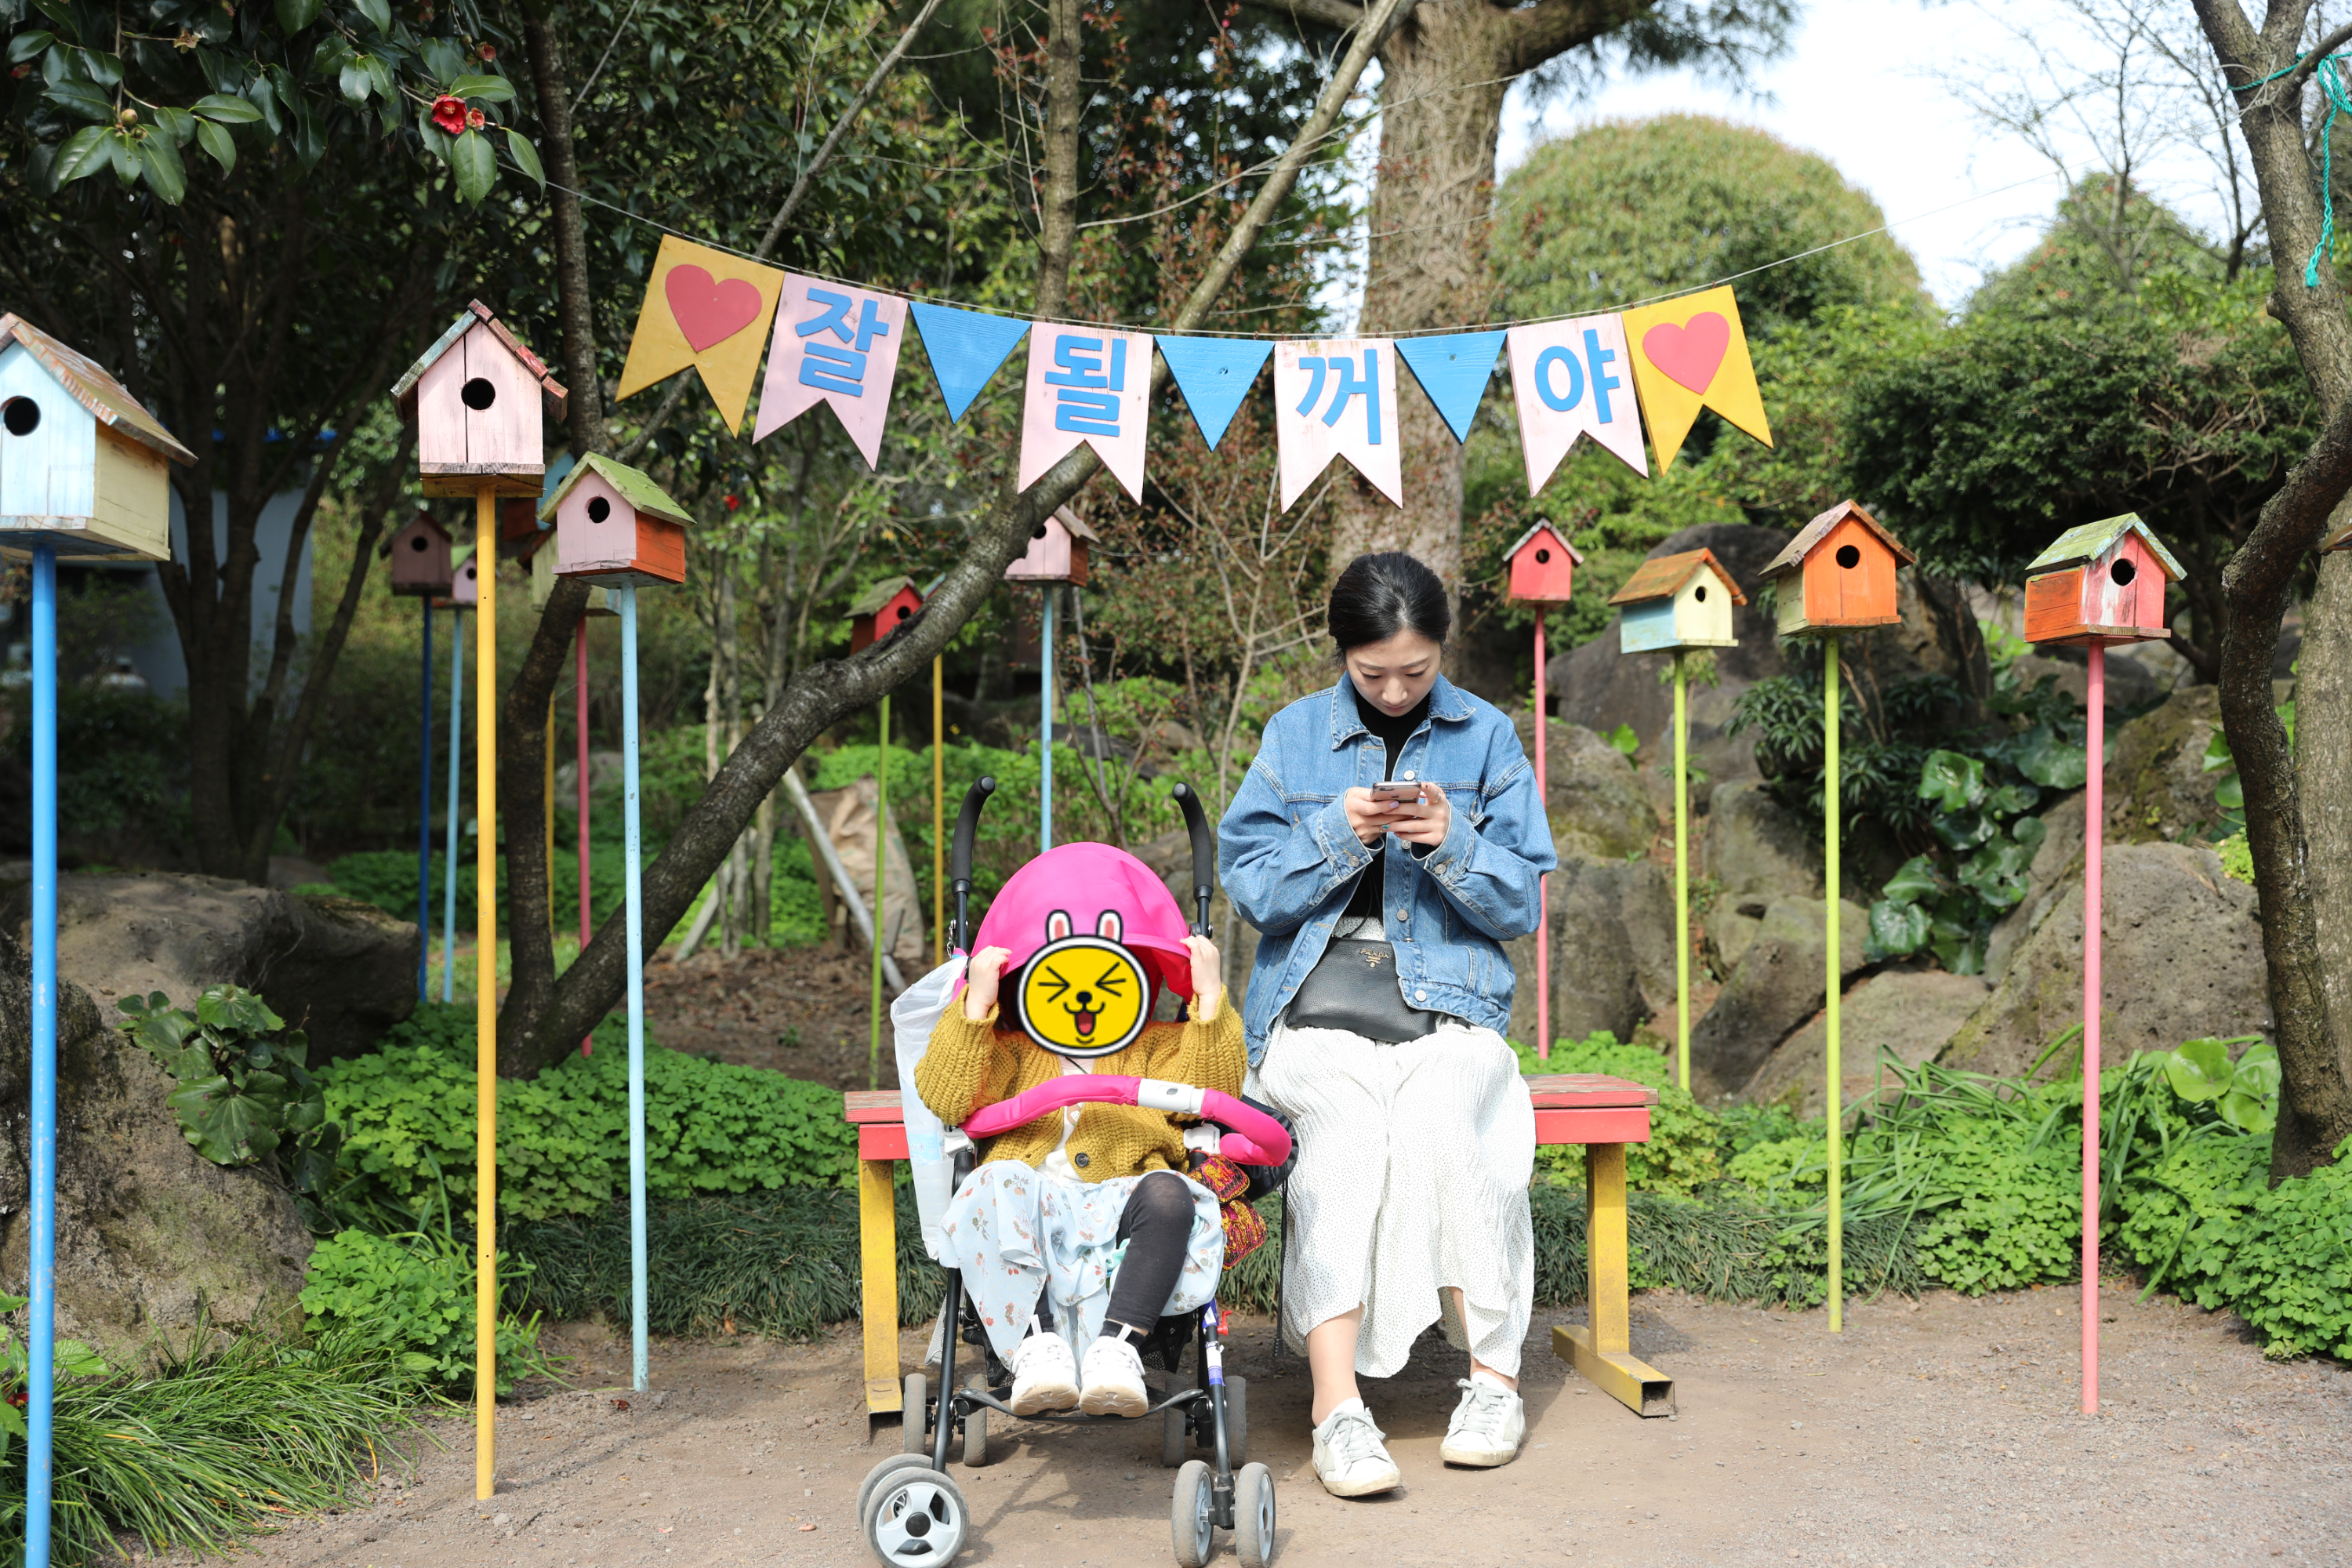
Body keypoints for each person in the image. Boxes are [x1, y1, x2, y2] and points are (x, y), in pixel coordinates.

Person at [1218, 550, 1555, 1497]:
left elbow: (1521, 900)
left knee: (1451, 1129)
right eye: (1375, 674)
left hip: (1451, 1013)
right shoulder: (1293, 737)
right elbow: (1249, 888)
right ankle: (1338, 1409)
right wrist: (1341, 830)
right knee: (1347, 1139)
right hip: (1315, 1010)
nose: (1399, 690)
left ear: (1443, 649)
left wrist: (1455, 840)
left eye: (1418, 669)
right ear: (1344, 657)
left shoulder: (1486, 736)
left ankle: (1493, 1385)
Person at [914, 844, 1241, 1418]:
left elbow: (1211, 1094)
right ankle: (1037, 1344)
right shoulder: (1011, 1049)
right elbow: (946, 1096)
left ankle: (1118, 1349)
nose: (1085, 992)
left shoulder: (1159, 1045)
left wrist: (1208, 1000)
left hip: (1122, 1201)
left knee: (1170, 1194)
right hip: (1032, 1202)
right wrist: (975, 1007)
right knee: (994, 1181)